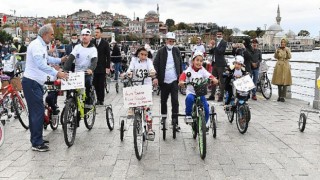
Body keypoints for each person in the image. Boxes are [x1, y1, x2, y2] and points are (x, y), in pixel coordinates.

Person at [22, 24, 68, 152]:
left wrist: (60, 60)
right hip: (31, 82)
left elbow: (47, 58)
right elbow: (41, 64)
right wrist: (56, 73)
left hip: (36, 83)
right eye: (52, 34)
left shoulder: (42, 45)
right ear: (45, 34)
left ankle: (37, 138)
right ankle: (36, 143)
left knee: (37, 111)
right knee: (37, 112)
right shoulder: (36, 45)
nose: (53, 37)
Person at [178, 51, 218, 131]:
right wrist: (181, 81)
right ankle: (188, 115)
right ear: (193, 61)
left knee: (206, 109)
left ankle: (204, 124)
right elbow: (183, 76)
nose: (199, 62)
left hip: (200, 92)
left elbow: (209, 75)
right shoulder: (189, 70)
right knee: (189, 99)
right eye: (197, 60)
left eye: (201, 61)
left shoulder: (203, 70)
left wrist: (213, 78)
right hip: (191, 92)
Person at [122, 47, 156, 140]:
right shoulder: (134, 60)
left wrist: (152, 72)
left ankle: (149, 128)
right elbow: (130, 69)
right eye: (142, 54)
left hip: (146, 85)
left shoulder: (149, 61)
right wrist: (128, 73)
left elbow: (151, 68)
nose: (144, 56)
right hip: (136, 83)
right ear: (138, 54)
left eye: (145, 55)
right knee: (132, 95)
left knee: (147, 107)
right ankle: (131, 109)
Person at [153, 32, 183, 131]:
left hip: (174, 80)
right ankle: (164, 118)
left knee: (175, 101)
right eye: (170, 41)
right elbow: (155, 64)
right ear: (166, 41)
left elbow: (180, 64)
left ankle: (175, 121)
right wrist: (156, 77)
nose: (171, 42)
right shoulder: (161, 51)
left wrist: (181, 78)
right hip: (164, 80)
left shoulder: (176, 50)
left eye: (173, 41)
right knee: (163, 101)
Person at [64, 28, 98, 108]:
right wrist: (65, 69)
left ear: (90, 37)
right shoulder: (77, 47)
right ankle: (70, 102)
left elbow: (94, 61)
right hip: (77, 73)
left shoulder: (93, 49)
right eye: (83, 35)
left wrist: (91, 69)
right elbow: (70, 58)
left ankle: (88, 100)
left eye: (86, 35)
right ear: (80, 37)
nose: (84, 37)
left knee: (88, 83)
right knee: (70, 87)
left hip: (86, 73)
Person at [92, 27, 111, 105]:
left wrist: (108, 67)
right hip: (93, 67)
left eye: (97, 32)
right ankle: (97, 99)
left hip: (102, 66)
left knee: (101, 84)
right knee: (95, 84)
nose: (96, 33)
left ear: (101, 33)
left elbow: (108, 56)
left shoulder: (105, 43)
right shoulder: (92, 42)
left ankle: (101, 99)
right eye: (95, 32)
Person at [208, 30, 227, 102]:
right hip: (214, 63)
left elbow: (221, 52)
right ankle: (212, 95)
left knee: (221, 81)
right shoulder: (216, 42)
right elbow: (211, 52)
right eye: (217, 34)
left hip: (221, 64)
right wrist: (211, 47)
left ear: (222, 35)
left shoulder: (224, 43)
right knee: (213, 80)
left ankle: (221, 97)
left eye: (220, 34)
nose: (218, 35)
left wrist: (215, 46)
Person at [272, 38, 292, 102]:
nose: (283, 43)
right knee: (279, 82)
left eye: (284, 42)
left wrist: (287, 51)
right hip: (279, 65)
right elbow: (275, 57)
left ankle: (283, 96)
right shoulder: (278, 49)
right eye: (282, 42)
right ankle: (279, 96)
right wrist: (277, 52)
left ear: (285, 43)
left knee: (285, 82)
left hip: (285, 65)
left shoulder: (287, 49)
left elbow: (289, 57)